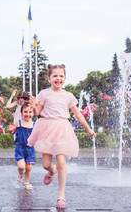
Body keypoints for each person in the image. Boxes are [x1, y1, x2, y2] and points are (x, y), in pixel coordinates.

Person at [27, 64, 95, 209]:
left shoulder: (68, 96)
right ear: (49, 78)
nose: (58, 78)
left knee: (61, 161)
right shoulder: (44, 93)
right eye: (55, 76)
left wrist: (89, 128)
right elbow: (38, 112)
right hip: (46, 128)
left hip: (62, 129)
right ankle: (52, 171)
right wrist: (34, 106)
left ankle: (61, 196)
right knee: (46, 164)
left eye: (61, 76)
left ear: (65, 78)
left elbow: (77, 114)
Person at [8, 101, 36, 190]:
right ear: (21, 113)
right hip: (20, 148)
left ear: (33, 113)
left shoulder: (34, 125)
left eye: (30, 112)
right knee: (21, 167)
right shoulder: (18, 123)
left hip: (30, 149)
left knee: (28, 167)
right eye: (25, 112)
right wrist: (11, 130)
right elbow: (12, 132)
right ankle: (20, 174)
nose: (28, 114)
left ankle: (26, 182)